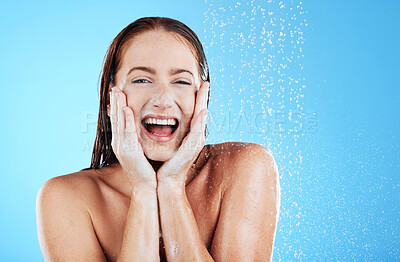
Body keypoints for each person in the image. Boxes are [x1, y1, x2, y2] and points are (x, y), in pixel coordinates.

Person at [36, 17, 281, 262]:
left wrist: (172, 187)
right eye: (141, 80)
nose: (163, 99)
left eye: (182, 81)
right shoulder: (66, 199)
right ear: (111, 100)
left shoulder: (243, 167)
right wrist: (142, 191)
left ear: (202, 98)